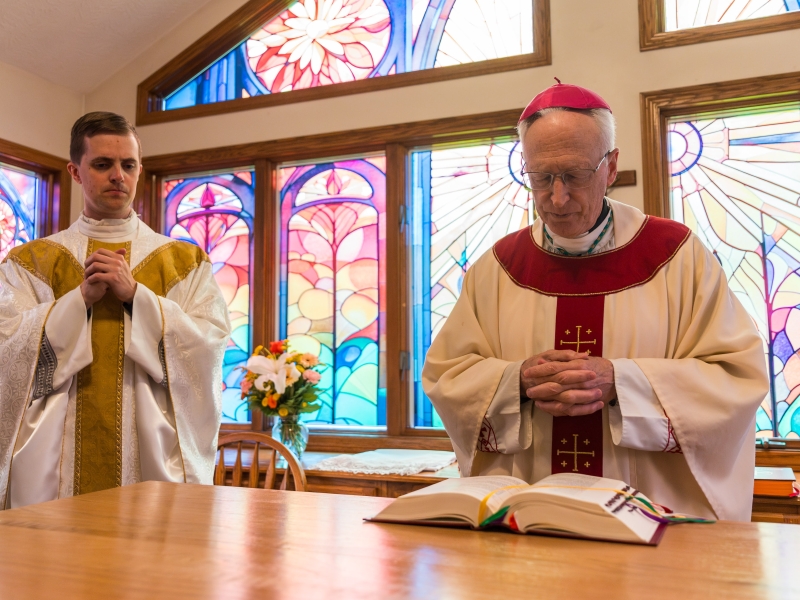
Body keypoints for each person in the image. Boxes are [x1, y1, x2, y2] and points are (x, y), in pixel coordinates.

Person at [423, 81, 769, 521]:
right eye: (541, 178)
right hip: (531, 522)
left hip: (650, 522)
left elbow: (736, 377)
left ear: (611, 167)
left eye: (575, 175)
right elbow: (447, 375)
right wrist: (517, 382)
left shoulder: (678, 257)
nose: (557, 197)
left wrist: (621, 383)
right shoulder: (497, 267)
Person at [0, 112, 231, 508]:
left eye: (128, 165)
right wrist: (79, 301)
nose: (117, 176)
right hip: (50, 468)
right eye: (103, 164)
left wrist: (137, 297)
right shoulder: (29, 262)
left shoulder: (185, 261)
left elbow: (209, 346)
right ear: (75, 172)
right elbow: (7, 347)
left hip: (150, 459)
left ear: (140, 169)